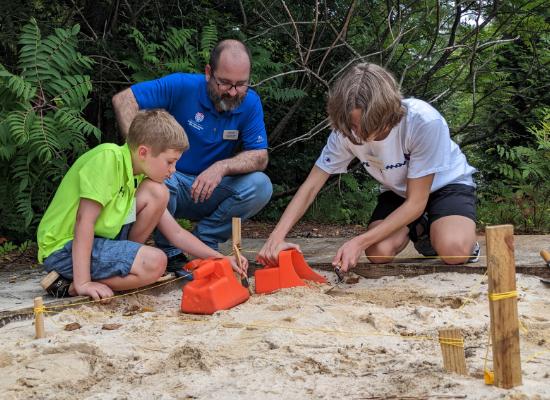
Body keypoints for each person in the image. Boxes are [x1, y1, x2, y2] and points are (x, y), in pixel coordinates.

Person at [257, 63, 478, 273]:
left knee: (454, 250)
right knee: (378, 253)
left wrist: (358, 242)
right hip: (399, 192)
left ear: (385, 113)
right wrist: (276, 237)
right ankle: (421, 229)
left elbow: (416, 202)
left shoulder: (423, 121)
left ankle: (455, 235)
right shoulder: (344, 132)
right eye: (352, 125)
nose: (357, 134)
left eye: (365, 124)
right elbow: (311, 186)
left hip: (446, 185)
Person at [37, 109, 247, 300]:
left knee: (158, 192)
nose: (173, 170)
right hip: (63, 247)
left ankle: (124, 262)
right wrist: (83, 283)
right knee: (155, 262)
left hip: (99, 242)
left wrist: (221, 259)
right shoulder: (108, 158)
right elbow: (84, 221)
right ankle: (70, 286)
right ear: (144, 152)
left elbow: (176, 234)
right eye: (169, 161)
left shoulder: (139, 174)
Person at [112, 39, 272, 267]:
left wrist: (221, 167)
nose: (233, 92)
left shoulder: (251, 103)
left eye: (241, 84)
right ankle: (169, 251)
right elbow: (124, 99)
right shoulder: (182, 85)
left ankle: (205, 240)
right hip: (170, 179)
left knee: (260, 185)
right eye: (225, 83)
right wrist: (140, 158)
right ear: (209, 73)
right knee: (157, 184)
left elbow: (259, 156)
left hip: (210, 187)